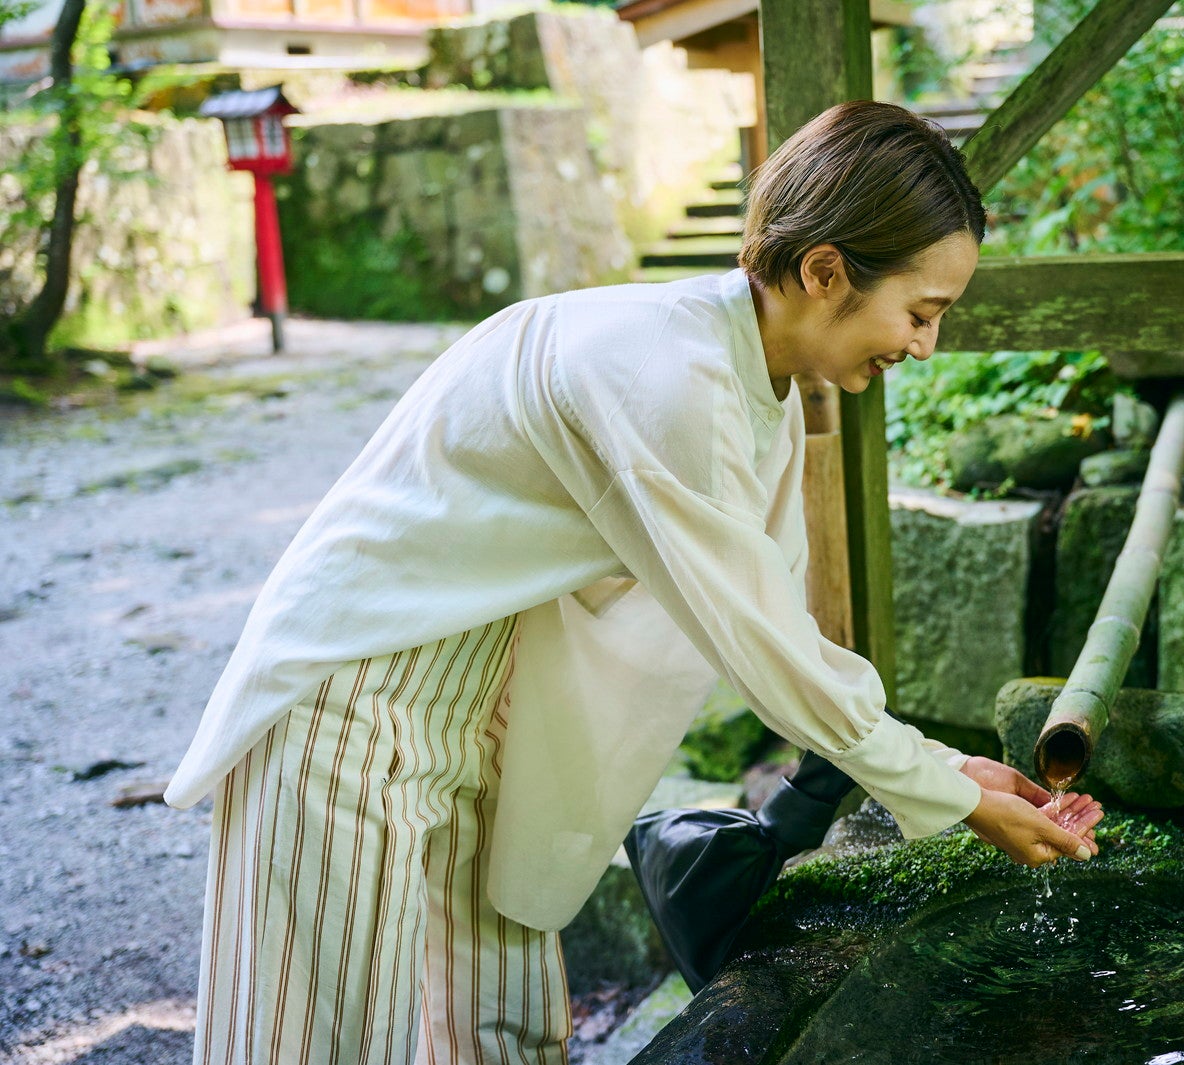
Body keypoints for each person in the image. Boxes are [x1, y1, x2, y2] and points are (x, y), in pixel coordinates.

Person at [165, 100, 1101, 1065]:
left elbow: (777, 623)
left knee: (505, 1023)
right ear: (826, 272)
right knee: (308, 1039)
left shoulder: (758, 389)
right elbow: (764, 647)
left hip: (482, 717)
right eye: (921, 311)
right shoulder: (668, 373)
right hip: (352, 702)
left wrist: (947, 775)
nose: (924, 346)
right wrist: (947, 795)